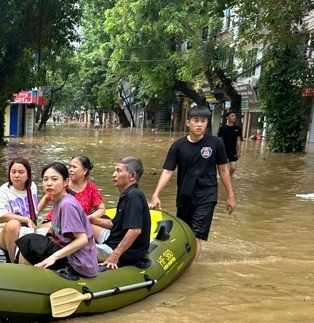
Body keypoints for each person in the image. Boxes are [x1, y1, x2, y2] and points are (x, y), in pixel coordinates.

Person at [148, 104, 236, 256]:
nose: (200, 124)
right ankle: (187, 260)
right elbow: (168, 171)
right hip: (184, 195)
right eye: (196, 120)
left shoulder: (215, 143)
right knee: (185, 233)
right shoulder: (178, 146)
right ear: (188, 122)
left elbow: (223, 170)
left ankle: (193, 268)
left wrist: (231, 196)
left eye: (203, 120)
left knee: (197, 235)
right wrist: (156, 195)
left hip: (207, 195)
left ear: (207, 123)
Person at [15, 162, 98, 279]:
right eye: (45, 179)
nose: (49, 183)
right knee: (30, 240)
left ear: (65, 182)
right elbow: (55, 228)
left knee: (29, 241)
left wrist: (53, 257)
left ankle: (24, 280)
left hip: (77, 262)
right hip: (68, 253)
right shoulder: (59, 200)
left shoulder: (67, 204)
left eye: (54, 179)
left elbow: (82, 239)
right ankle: (23, 274)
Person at [91, 157, 151, 269]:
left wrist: (115, 256)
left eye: (119, 171)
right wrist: (92, 220)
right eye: (115, 170)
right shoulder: (127, 194)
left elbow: (135, 230)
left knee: (71, 247)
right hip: (114, 239)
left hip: (122, 251)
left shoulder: (133, 195)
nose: (114, 175)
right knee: (86, 225)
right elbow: (115, 224)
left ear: (132, 176)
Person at [38, 155, 105, 239]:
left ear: (84, 170)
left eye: (74, 167)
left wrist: (90, 218)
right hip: (54, 222)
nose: (70, 170)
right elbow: (46, 198)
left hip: (77, 223)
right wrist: (34, 215)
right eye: (70, 166)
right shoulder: (61, 183)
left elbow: (101, 209)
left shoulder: (91, 188)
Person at [0, 157, 39, 262]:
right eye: (13, 172)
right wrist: (27, 220)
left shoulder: (32, 187)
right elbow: (1, 216)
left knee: (52, 225)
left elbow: (34, 209)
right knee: (13, 224)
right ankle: (14, 261)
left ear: (28, 175)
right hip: (6, 233)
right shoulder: (3, 191)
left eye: (21, 172)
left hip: (26, 231)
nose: (16, 175)